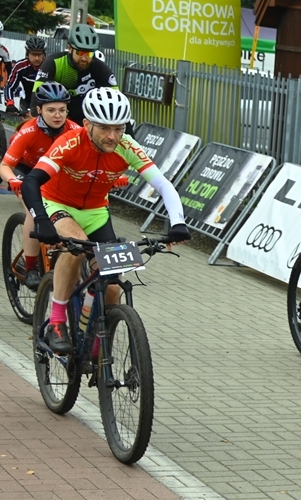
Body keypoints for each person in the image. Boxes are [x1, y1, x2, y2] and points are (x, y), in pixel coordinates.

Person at [23, 88, 191, 352]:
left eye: (118, 128)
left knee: (112, 287)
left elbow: (163, 185)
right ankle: (57, 321)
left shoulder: (127, 146)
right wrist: (41, 219)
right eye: (104, 128)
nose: (112, 136)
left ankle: (93, 347)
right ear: (87, 124)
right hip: (58, 204)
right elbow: (31, 181)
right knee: (76, 246)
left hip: (96, 212)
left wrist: (178, 223)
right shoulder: (70, 142)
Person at [0, 83, 75, 286]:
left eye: (62, 110)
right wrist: (14, 180)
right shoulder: (29, 131)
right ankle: (31, 267)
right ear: (39, 110)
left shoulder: (75, 130)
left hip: (52, 174)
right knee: (34, 212)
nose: (57, 115)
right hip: (26, 171)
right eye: (51, 110)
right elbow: (4, 167)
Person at [37, 24, 116, 125]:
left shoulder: (99, 67)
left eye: (89, 54)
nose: (84, 58)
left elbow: (116, 98)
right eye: (80, 53)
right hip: (60, 118)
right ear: (70, 48)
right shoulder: (53, 62)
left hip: (87, 119)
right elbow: (37, 96)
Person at [6, 36, 48, 117]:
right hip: (26, 102)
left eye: (39, 54)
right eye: (33, 54)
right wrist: (10, 103)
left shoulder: (50, 65)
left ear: (44, 54)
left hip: (45, 103)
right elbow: (10, 86)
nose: (36, 58)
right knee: (27, 123)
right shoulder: (20, 66)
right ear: (27, 54)